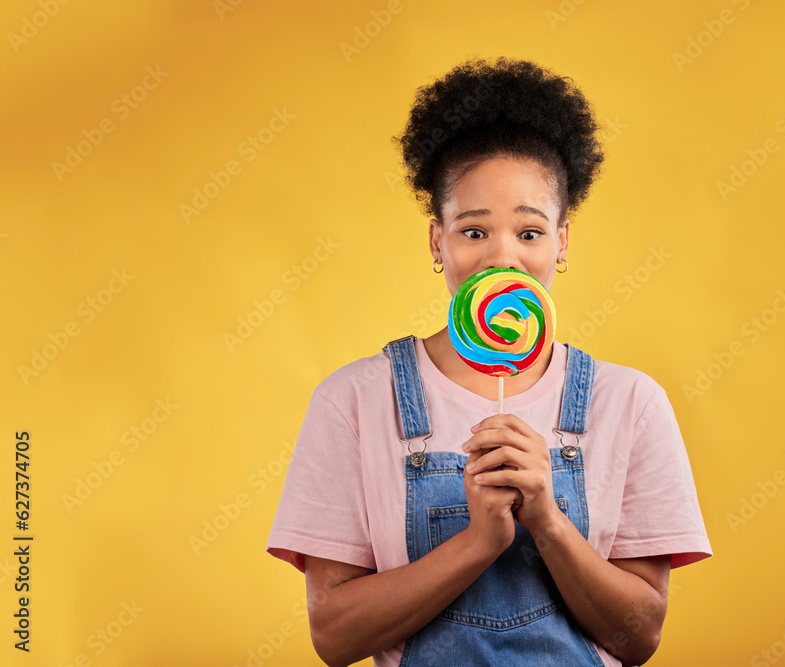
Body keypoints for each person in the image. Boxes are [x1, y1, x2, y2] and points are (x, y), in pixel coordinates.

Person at [265, 56, 712, 667]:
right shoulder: (354, 401)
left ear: (562, 241)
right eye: (474, 231)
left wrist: (549, 524)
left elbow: (640, 637)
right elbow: (334, 639)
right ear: (437, 241)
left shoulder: (630, 403)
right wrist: (479, 542)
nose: (502, 256)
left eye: (529, 233)